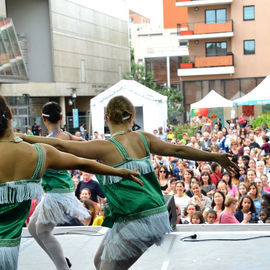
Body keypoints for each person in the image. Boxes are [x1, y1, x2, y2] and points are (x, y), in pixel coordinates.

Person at [20, 95, 239, 270]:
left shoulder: (104, 147)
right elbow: (180, 150)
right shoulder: (143, 138)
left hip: (142, 218)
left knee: (106, 267)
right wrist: (214, 156)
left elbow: (61, 146)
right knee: (99, 262)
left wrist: (20, 138)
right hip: (138, 215)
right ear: (131, 116)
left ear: (107, 116)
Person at [0, 96, 141, 270]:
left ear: (43, 119)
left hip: (57, 192)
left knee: (41, 231)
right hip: (58, 190)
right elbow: (80, 150)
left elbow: (76, 155)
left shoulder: (44, 143)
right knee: (34, 229)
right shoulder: (59, 138)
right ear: (61, 117)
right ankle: (60, 261)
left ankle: (61, 265)